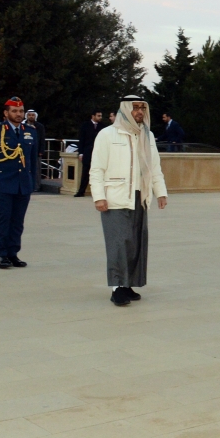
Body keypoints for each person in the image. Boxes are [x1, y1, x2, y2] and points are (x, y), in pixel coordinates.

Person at [89, 97, 168, 307]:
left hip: (139, 197)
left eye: (142, 107)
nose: (139, 111)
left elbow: (154, 167)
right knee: (118, 243)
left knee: (135, 243)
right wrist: (99, 196)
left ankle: (128, 284)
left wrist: (160, 192)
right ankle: (117, 288)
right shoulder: (107, 134)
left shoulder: (147, 136)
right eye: (135, 108)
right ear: (125, 109)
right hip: (115, 197)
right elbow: (97, 169)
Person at [0, 98, 38, 269]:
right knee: (2, 219)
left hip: (22, 184)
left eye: (21, 111)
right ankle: (1, 254)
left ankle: (13, 253)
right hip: (2, 183)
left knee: (17, 221)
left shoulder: (30, 131)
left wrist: (32, 183)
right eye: (14, 111)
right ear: (6, 113)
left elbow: (32, 160)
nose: (19, 114)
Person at [75, 110, 104, 197]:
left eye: (101, 116)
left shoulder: (102, 126)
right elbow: (82, 139)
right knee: (85, 172)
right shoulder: (85, 125)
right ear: (93, 116)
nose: (100, 117)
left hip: (99, 153)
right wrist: (81, 153)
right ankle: (81, 191)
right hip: (87, 152)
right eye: (98, 116)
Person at [25, 110, 46, 191]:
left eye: (32, 115)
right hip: (25, 151)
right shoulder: (23, 125)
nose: (31, 116)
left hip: (36, 151)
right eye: (29, 115)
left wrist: (41, 151)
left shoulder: (40, 126)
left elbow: (42, 139)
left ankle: (36, 186)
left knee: (36, 169)